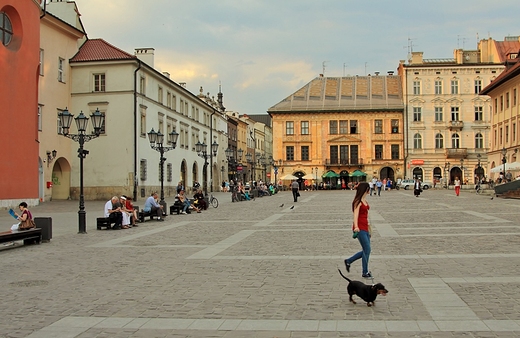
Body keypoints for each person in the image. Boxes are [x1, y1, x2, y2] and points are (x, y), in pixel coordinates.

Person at [344, 182, 373, 278]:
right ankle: (365, 272)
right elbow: (355, 215)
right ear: (365, 190)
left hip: (365, 226)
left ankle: (349, 261)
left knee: (366, 250)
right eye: (368, 189)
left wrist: (369, 228)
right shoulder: (358, 201)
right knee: (367, 249)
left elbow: (366, 215)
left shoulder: (365, 200)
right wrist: (356, 227)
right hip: (359, 227)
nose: (369, 191)